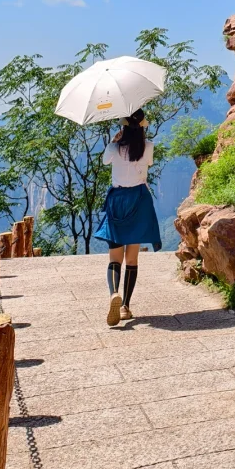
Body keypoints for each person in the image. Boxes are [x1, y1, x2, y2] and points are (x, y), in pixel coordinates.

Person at [93, 108, 161, 326]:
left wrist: (114, 142)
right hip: (139, 201)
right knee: (132, 259)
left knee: (115, 258)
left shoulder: (114, 148)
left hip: (117, 201)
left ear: (123, 127)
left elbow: (105, 162)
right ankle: (125, 307)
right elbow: (147, 163)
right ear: (142, 128)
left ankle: (114, 293)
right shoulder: (148, 147)